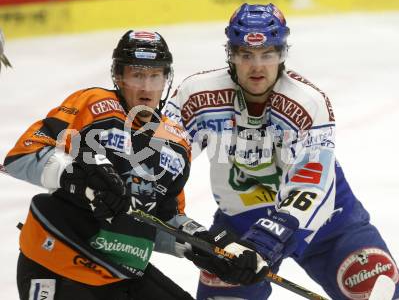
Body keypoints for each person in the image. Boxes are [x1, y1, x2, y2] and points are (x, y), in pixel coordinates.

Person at [164, 4, 399, 300]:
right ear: (231, 55)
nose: (257, 66)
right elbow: (165, 155)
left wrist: (270, 236)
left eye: (267, 54)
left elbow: (311, 180)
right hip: (239, 223)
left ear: (281, 55)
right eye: (246, 54)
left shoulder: (308, 102)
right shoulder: (197, 94)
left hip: (329, 221)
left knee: (374, 284)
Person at [4, 30, 265, 300]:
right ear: (118, 76)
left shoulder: (177, 142)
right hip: (59, 257)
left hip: (121, 269)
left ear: (166, 80)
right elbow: (22, 156)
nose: (147, 87)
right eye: (137, 75)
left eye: (155, 76)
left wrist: (205, 247)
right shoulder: (93, 104)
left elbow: (162, 219)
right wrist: (77, 174)